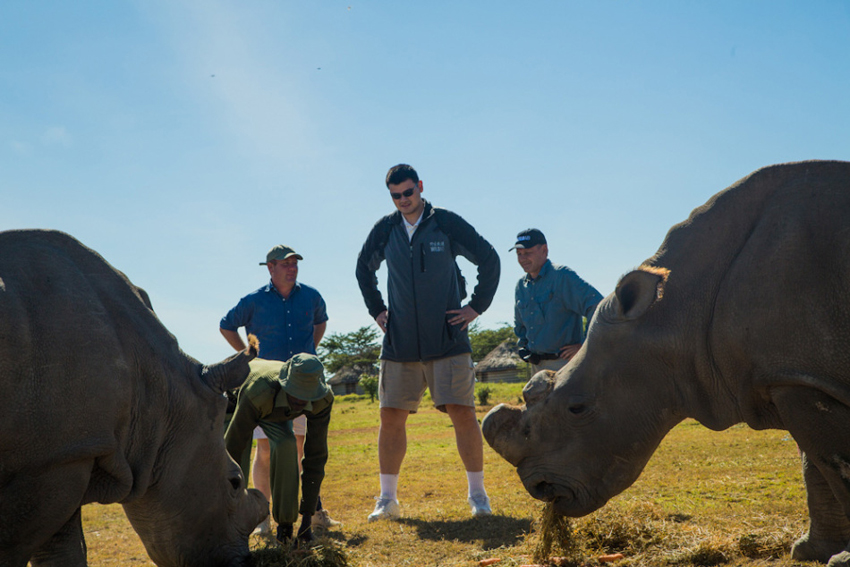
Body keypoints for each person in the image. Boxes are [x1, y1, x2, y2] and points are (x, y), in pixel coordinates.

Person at [355, 163, 501, 521]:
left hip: (447, 339)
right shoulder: (386, 229)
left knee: (463, 414)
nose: (403, 200)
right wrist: (377, 310)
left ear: (420, 187)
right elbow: (363, 268)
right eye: (396, 196)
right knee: (390, 417)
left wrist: (475, 308)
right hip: (400, 343)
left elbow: (489, 258)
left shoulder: (445, 223)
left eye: (408, 192)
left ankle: (478, 497)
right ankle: (387, 500)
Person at [220, 244, 337, 536]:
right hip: (265, 386)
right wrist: (250, 356)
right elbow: (226, 326)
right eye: (285, 264)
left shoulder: (311, 296)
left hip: (301, 387)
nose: (291, 268)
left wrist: (308, 356)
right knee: (266, 449)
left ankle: (307, 510)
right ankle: (261, 516)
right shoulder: (253, 301)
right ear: (270, 268)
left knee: (297, 447)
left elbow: (320, 324)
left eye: (294, 263)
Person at [224, 354, 334, 545]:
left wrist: (306, 522)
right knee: (235, 461)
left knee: (286, 444)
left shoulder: (321, 399)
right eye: (295, 394)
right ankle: (229, 525)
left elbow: (316, 456)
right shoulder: (260, 391)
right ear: (286, 385)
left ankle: (285, 527)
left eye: (305, 397)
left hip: (274, 408)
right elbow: (233, 446)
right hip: (235, 401)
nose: (300, 402)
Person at [511, 228, 603, 374]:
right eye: (519, 254)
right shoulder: (521, 286)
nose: (522, 259)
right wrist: (523, 347)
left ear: (544, 250)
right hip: (536, 367)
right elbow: (520, 325)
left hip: (565, 365)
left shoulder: (562, 276)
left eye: (527, 253)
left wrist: (585, 346)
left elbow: (598, 306)